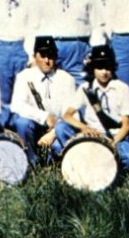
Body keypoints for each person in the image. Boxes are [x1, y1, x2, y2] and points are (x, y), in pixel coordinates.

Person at [62, 45, 129, 170]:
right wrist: (85, 128)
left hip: (115, 137)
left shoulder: (122, 88)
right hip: (92, 135)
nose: (104, 72)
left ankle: (100, 167)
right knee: (61, 128)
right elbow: (67, 115)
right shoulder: (85, 88)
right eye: (99, 67)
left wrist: (112, 143)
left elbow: (126, 125)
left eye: (107, 67)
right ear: (92, 68)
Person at [8, 36, 79, 165]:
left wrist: (53, 133)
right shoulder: (25, 76)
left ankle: (59, 166)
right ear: (35, 56)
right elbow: (17, 105)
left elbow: (73, 113)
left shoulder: (66, 79)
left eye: (51, 56)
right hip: (35, 125)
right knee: (21, 123)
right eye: (43, 55)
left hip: (57, 129)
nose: (47, 60)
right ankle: (30, 164)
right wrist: (44, 116)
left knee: (57, 148)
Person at [33, 0, 103, 84]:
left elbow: (97, 24)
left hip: (78, 48)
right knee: (51, 87)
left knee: (81, 89)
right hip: (51, 48)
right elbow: (34, 26)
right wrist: (33, 54)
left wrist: (94, 52)